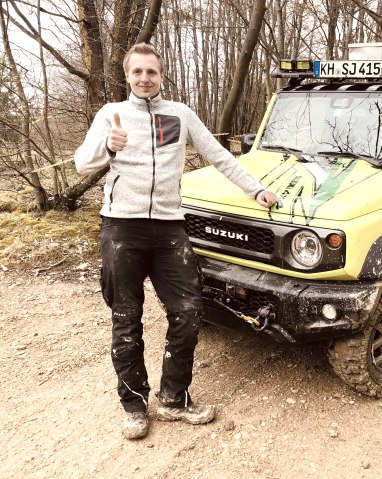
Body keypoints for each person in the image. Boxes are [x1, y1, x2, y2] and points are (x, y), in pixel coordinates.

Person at [74, 42, 277, 440]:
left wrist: (257, 190)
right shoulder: (110, 115)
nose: (144, 78)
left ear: (161, 75)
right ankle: (133, 405)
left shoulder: (180, 114)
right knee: (125, 320)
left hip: (169, 228)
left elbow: (219, 156)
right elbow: (83, 162)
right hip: (121, 228)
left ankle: (173, 398)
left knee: (188, 312)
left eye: (151, 72)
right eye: (137, 72)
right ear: (128, 76)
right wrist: (106, 146)